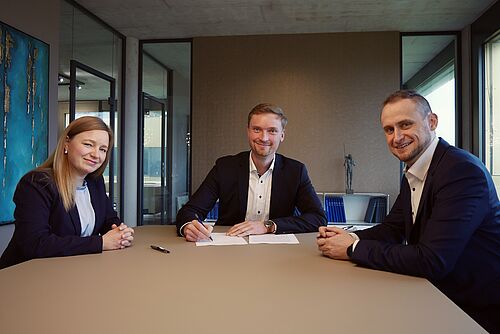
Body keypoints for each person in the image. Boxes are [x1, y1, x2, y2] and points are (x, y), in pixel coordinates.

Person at [317, 90, 500, 333]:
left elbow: (432, 260)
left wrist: (353, 249)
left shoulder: (461, 172)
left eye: (405, 124)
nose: (397, 137)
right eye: (389, 129)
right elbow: (393, 229)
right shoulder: (416, 169)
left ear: (432, 122)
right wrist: (349, 236)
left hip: (471, 310)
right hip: (433, 294)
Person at [177, 103, 327, 241]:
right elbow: (191, 210)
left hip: (279, 252)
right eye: (257, 129)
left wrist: (268, 226)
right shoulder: (225, 167)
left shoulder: (296, 171)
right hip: (229, 247)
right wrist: (189, 226)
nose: (264, 138)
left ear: (282, 135)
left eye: (272, 131)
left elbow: (318, 218)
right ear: (248, 131)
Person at [0, 116, 134, 269]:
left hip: (71, 271)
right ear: (66, 144)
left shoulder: (95, 182)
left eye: (103, 149)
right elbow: (35, 243)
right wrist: (101, 243)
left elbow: (108, 219)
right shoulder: (36, 184)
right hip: (25, 275)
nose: (96, 155)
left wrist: (120, 233)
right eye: (88, 144)